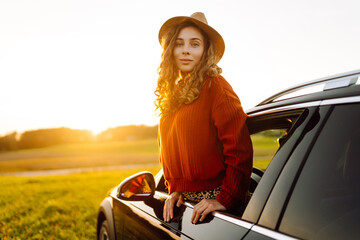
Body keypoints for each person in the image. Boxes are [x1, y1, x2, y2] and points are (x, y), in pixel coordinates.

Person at [155, 12, 253, 224]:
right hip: (186, 207)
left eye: (195, 44)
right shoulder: (173, 94)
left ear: (205, 51)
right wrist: (176, 191)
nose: (186, 50)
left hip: (216, 209)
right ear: (170, 50)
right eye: (179, 43)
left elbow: (239, 149)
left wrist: (226, 198)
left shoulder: (215, 86)